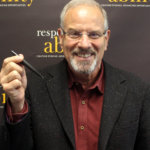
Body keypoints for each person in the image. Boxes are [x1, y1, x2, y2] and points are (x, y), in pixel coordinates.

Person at [0, 0, 150, 150]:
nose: (84, 44)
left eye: (94, 34)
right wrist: (18, 106)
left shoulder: (138, 91)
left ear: (106, 39)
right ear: (60, 37)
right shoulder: (32, 88)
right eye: (74, 34)